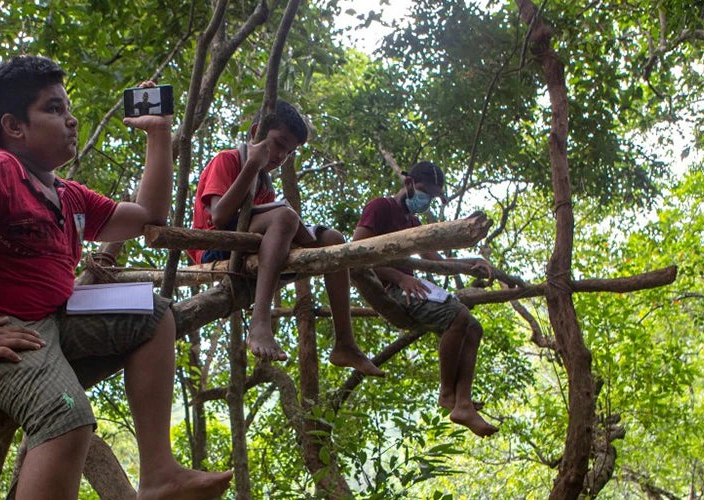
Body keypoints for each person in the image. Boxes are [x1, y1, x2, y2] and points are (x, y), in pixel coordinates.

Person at [0, 55, 232, 500]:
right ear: (14, 127)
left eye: (66, 108)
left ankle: (159, 474)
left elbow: (147, 216)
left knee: (152, 311)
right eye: (53, 109)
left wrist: (159, 133)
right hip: (2, 329)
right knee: (65, 416)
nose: (70, 119)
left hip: (54, 318)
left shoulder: (68, 196)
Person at [187, 99, 383, 377]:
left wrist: (300, 232)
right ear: (257, 133)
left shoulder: (265, 183)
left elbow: (268, 227)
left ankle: (345, 343)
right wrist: (251, 167)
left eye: (289, 152)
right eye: (279, 144)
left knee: (334, 239)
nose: (282, 155)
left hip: (249, 245)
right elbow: (219, 216)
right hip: (215, 248)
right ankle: (260, 322)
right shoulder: (228, 159)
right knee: (286, 216)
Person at [351, 161, 499, 437]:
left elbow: (437, 261)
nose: (427, 201)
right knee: (457, 317)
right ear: (409, 185)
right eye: (425, 193)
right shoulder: (381, 207)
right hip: (390, 289)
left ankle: (463, 402)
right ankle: (447, 394)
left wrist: (471, 263)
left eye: (432, 197)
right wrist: (399, 278)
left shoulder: (412, 222)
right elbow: (355, 255)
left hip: (411, 286)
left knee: (474, 327)